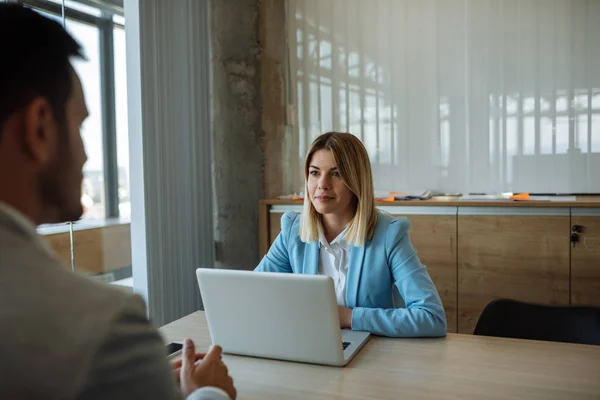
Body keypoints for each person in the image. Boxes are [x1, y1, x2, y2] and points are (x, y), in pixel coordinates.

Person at [0, 5, 235, 399]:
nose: (86, 155)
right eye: (79, 125)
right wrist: (206, 393)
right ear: (39, 127)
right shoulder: (102, 329)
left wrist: (140, 379)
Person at [256, 132, 447, 337]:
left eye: (336, 173)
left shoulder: (389, 235)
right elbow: (254, 295)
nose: (322, 184)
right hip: (308, 344)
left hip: (372, 354)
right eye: (315, 173)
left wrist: (347, 317)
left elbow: (431, 318)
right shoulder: (293, 230)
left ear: (356, 181)